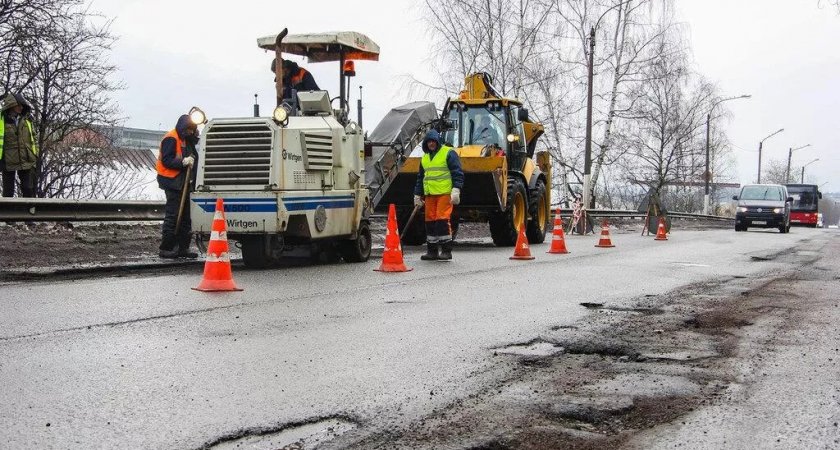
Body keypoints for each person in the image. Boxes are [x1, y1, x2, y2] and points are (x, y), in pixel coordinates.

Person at [413, 130, 464, 261]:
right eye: (429, 141)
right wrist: (417, 195)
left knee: (442, 220)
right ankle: (432, 251)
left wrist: (456, 189)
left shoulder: (448, 153)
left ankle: (446, 250)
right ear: (426, 143)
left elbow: (457, 172)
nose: (431, 144)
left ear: (437, 141)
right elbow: (421, 178)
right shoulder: (424, 158)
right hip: (430, 195)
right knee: (429, 222)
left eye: (433, 141)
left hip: (444, 193)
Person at [156, 114, 200, 259]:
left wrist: (194, 136)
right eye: (189, 130)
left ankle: (183, 248)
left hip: (185, 183)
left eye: (192, 130)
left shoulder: (186, 140)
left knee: (187, 217)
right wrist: (182, 162)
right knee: (173, 216)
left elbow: (194, 155)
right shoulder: (171, 138)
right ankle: (166, 248)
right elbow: (167, 161)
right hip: (172, 182)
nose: (190, 133)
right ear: (183, 128)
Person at [1, 93, 38, 198]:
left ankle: (30, 211)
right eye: (19, 105)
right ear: (11, 105)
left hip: (26, 158)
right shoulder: (2, 121)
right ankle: (7, 213)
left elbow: (34, 137)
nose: (21, 107)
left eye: (22, 105)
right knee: (8, 191)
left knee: (28, 189)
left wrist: (35, 154)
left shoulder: (27, 120)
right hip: (8, 160)